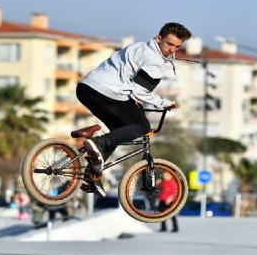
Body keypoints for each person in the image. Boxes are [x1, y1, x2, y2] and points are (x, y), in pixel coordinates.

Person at [77, 22, 192, 197]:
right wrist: (165, 103)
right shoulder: (155, 62)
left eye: (177, 47)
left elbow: (128, 78)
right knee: (142, 127)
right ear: (158, 38)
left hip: (86, 88)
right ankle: (99, 144)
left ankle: (91, 175)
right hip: (106, 92)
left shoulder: (137, 46)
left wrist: (131, 98)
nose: (172, 50)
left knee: (120, 131)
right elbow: (140, 91)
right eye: (169, 44)